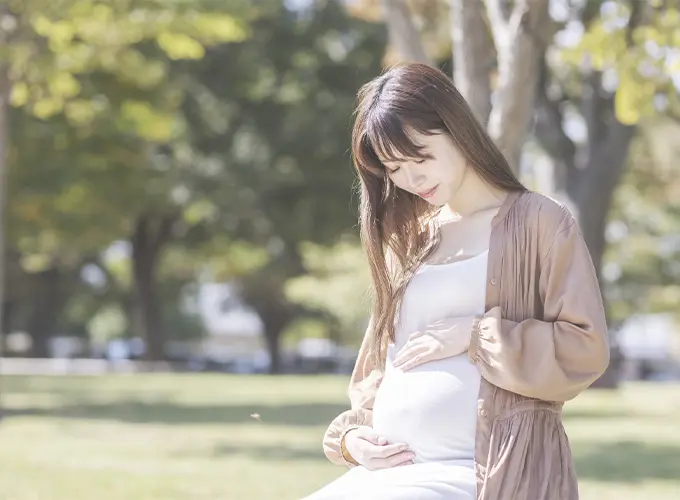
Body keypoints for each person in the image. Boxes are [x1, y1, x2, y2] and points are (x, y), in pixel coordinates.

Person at [302, 62, 609, 500]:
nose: (411, 179)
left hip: (485, 472)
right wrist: (354, 439)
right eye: (393, 168)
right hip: (391, 473)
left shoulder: (539, 222)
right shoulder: (409, 239)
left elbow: (585, 349)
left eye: (420, 156)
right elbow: (379, 363)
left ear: (456, 128)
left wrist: (475, 334)